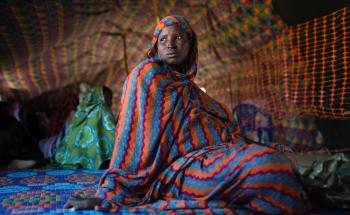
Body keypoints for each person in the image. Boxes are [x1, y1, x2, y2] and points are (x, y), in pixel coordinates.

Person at [64, 15, 311, 214]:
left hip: (213, 156)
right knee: (267, 167)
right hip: (176, 172)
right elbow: (132, 143)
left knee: (280, 159)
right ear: (155, 46)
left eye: (179, 37)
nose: (170, 44)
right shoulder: (147, 77)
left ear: (191, 45)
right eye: (163, 40)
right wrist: (106, 195)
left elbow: (222, 127)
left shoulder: (191, 89)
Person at [7, 86, 116, 170]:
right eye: (109, 98)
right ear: (103, 98)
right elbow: (114, 137)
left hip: (67, 153)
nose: (111, 102)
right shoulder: (103, 111)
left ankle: (38, 161)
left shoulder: (81, 113)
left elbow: (67, 136)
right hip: (90, 157)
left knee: (57, 159)